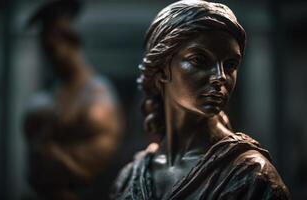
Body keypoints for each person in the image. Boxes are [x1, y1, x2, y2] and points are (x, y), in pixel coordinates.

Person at [111, 0, 290, 199]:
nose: (221, 76)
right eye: (200, 60)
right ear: (162, 71)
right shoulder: (129, 178)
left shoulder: (253, 177)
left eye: (230, 65)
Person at [23, 0, 122, 199]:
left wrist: (49, 156)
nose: (49, 58)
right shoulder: (56, 93)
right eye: (45, 50)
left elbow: (99, 158)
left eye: (51, 48)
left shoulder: (98, 94)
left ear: (70, 42)